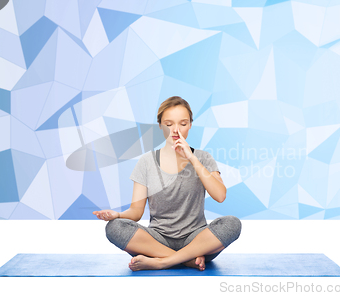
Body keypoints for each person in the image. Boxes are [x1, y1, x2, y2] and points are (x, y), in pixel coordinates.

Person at [93, 96, 242, 271]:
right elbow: (136, 212)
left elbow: (220, 195)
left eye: (183, 124)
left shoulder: (203, 158)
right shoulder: (146, 162)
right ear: (161, 126)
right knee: (114, 228)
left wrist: (191, 157)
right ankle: (186, 260)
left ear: (190, 125)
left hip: (197, 240)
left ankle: (163, 261)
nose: (176, 130)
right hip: (157, 239)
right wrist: (116, 216)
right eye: (169, 124)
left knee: (232, 224)